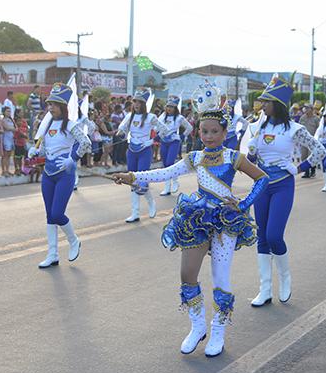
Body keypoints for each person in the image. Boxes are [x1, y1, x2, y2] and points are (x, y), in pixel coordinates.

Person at [112, 91, 269, 357]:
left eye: (214, 131)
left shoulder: (233, 157)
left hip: (225, 220)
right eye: (203, 131)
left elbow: (263, 179)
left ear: (224, 131)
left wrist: (243, 205)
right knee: (187, 275)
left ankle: (218, 330)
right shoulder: (195, 158)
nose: (208, 136)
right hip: (197, 216)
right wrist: (132, 176)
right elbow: (166, 172)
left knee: (220, 278)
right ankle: (197, 326)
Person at [245, 77, 326, 304]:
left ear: (277, 104)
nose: (262, 105)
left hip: (283, 185)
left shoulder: (295, 129)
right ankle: (265, 289)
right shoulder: (257, 126)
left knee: (274, 235)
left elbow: (320, 151)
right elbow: (252, 159)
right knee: (261, 236)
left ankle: (285, 278)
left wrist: (298, 168)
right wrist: (251, 153)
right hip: (261, 184)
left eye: (266, 102)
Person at [28, 82, 92, 269]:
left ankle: (73, 240)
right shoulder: (46, 126)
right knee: (49, 216)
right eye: (49, 104)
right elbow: (47, 150)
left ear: (62, 107)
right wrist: (35, 152)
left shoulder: (71, 125)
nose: (51, 107)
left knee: (57, 213)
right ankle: (52, 254)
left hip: (65, 173)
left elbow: (86, 143)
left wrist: (73, 158)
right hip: (48, 173)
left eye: (54, 104)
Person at [117, 89, 174, 222]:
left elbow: (165, 130)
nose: (136, 104)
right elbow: (122, 129)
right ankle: (135, 213)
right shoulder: (129, 116)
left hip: (145, 151)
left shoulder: (151, 117)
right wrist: (120, 133)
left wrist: (152, 141)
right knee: (132, 180)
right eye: (135, 101)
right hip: (131, 150)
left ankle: (151, 203)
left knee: (142, 180)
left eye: (139, 102)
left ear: (144, 104)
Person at [158, 96, 192, 196]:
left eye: (171, 107)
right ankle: (170, 184)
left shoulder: (179, 118)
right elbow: (156, 126)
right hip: (164, 141)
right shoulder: (162, 116)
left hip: (174, 142)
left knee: (170, 162)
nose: (169, 108)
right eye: (168, 106)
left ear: (175, 108)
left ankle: (172, 183)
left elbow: (189, 127)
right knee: (165, 164)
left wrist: (182, 136)